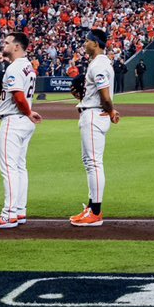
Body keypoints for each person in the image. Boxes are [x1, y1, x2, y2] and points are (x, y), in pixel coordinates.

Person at [0, 30, 41, 229]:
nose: (4, 45)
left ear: (17, 46)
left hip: (14, 121)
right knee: (19, 167)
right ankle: (19, 211)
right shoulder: (28, 66)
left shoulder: (15, 67)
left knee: (9, 168)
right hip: (24, 121)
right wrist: (29, 113)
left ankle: (8, 215)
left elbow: (18, 96)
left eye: (7, 42)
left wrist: (27, 112)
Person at [66, 28, 119, 227]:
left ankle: (95, 212)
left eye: (87, 41)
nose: (85, 43)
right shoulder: (100, 63)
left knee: (94, 164)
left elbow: (105, 95)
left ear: (96, 43)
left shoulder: (98, 65)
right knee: (91, 162)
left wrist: (112, 111)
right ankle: (91, 207)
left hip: (94, 114)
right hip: (96, 113)